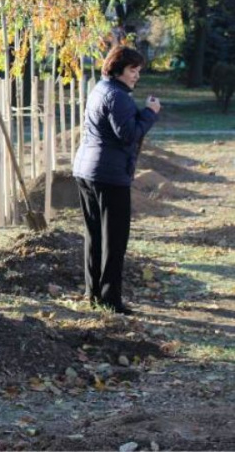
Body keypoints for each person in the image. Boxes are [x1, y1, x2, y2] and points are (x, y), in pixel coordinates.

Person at [73, 46, 161, 315]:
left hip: (87, 170)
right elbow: (128, 134)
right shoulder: (118, 97)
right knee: (114, 240)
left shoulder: (101, 88)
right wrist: (150, 113)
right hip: (109, 176)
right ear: (119, 68)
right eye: (133, 70)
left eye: (138, 71)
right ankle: (111, 300)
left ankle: (94, 293)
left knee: (94, 235)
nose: (136, 76)